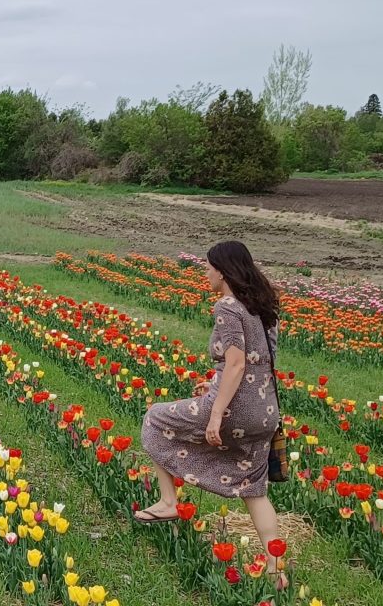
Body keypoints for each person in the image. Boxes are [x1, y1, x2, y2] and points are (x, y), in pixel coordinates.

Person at [136, 241, 287, 589]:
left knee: (156, 419)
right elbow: (260, 362)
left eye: (208, 267)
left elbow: (236, 362)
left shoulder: (228, 306)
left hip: (235, 408)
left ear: (222, 270)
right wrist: (214, 385)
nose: (205, 273)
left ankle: (167, 501)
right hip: (265, 411)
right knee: (255, 488)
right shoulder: (265, 308)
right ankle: (276, 569)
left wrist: (216, 413)